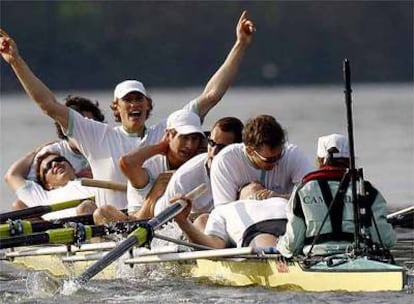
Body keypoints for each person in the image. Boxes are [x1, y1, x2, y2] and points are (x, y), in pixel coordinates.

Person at [0, 10, 255, 210]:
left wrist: (240, 45)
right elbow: (48, 105)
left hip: (161, 223)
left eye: (139, 99)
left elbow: (212, 94)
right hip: (114, 228)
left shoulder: (170, 130)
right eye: (128, 100)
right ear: (117, 108)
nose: (134, 104)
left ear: (147, 106)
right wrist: (16, 62)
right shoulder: (97, 135)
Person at [276, 133, 397, 258]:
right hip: (361, 259)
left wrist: (279, 245)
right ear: (350, 160)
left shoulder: (303, 190)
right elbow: (386, 240)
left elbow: (292, 245)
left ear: (319, 160)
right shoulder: (368, 191)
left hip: (315, 261)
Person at [93, 109, 205, 224]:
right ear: (168, 135)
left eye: (194, 138)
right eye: (184, 138)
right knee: (102, 212)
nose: (190, 145)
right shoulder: (150, 169)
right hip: (148, 226)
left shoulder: (201, 164)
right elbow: (136, 222)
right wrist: (154, 194)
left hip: (189, 227)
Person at [154, 116, 244, 230]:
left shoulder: (248, 166)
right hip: (166, 222)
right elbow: (162, 224)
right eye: (211, 143)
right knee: (203, 222)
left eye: (221, 148)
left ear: (237, 149)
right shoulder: (185, 178)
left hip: (223, 226)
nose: (213, 152)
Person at [210, 114, 314, 206]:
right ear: (250, 151)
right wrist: (246, 199)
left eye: (279, 156)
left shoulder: (292, 154)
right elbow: (223, 212)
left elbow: (314, 197)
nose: (276, 163)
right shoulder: (225, 161)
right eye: (269, 160)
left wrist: (278, 198)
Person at [174, 182, 288, 249]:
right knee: (266, 245)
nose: (254, 182)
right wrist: (182, 222)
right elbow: (214, 246)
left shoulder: (280, 199)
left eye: (260, 185)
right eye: (249, 184)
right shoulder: (224, 209)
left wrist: (279, 196)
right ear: (239, 196)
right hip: (258, 231)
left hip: (292, 224)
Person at [4, 150, 97, 220]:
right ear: (47, 184)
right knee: (86, 207)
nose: (55, 164)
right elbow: (12, 176)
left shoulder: (94, 178)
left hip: (102, 215)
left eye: (59, 159)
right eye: (48, 166)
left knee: (93, 209)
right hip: (69, 234)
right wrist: (37, 152)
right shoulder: (41, 196)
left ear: (72, 168)